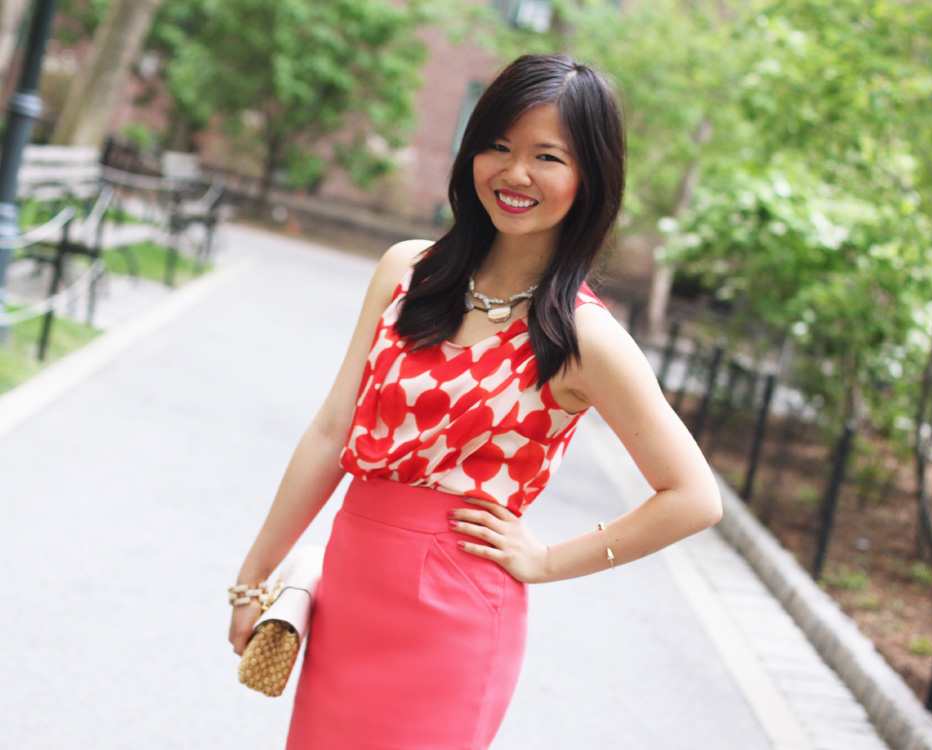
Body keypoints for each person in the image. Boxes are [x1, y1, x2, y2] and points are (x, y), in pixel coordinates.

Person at [228, 53, 722, 749]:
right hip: (347, 591)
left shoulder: (581, 335)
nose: (515, 174)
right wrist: (254, 577)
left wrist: (550, 561)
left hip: (453, 624)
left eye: (547, 156)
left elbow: (694, 496)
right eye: (498, 145)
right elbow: (331, 431)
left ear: (589, 179)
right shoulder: (408, 271)